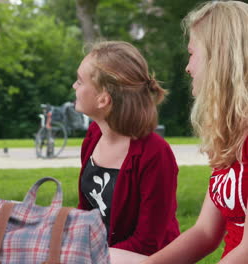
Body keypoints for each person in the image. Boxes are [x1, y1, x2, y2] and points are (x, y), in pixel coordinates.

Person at [111, 1, 248, 263]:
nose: (188, 67)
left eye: (192, 54)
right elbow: (205, 233)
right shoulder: (230, 136)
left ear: (220, 57)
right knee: (100, 256)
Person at [73, 41, 180, 257]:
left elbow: (148, 243)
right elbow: (86, 212)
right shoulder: (94, 135)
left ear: (103, 99)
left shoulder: (155, 154)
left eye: (79, 81)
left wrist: (89, 258)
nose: (74, 86)